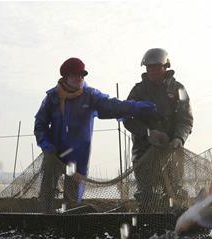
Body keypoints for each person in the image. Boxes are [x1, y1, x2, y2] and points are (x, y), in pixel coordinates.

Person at [34, 57, 157, 212]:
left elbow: (113, 105)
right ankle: (45, 221)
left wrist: (137, 107)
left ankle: (66, 228)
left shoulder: (90, 95)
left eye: (82, 75)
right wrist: (46, 145)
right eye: (75, 75)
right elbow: (40, 125)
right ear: (65, 77)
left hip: (78, 157)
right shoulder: (52, 97)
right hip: (54, 154)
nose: (79, 78)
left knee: (72, 200)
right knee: (46, 194)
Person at [123, 48, 193, 211]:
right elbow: (127, 118)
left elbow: (186, 119)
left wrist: (178, 138)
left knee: (175, 191)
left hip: (171, 150)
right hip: (143, 152)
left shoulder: (179, 89)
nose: (152, 70)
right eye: (148, 67)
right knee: (146, 194)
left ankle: (176, 229)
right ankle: (147, 228)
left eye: (156, 67)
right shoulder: (138, 91)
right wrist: (147, 133)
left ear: (165, 66)